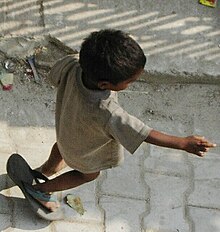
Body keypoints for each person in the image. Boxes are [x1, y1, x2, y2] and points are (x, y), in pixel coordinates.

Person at [27, 29, 216, 211]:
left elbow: (54, 78)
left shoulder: (74, 63)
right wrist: (182, 143)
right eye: (129, 82)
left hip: (65, 130)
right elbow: (143, 133)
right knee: (87, 175)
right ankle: (39, 191)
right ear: (104, 85)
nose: (131, 84)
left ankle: (45, 170)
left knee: (61, 148)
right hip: (84, 150)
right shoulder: (108, 111)